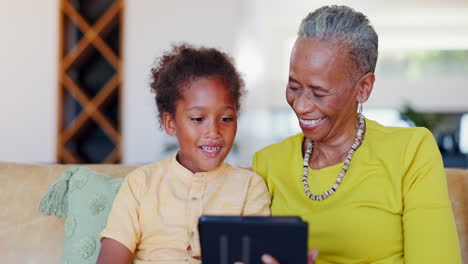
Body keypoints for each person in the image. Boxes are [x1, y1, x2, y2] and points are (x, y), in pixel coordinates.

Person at [253, 5, 462, 264]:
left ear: (363, 88)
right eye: (293, 86)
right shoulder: (267, 164)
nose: (301, 105)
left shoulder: (410, 151)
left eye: (319, 93)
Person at [97, 44, 271, 264]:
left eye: (226, 118)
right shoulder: (140, 184)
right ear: (170, 123)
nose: (214, 132)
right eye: (198, 119)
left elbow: (255, 255)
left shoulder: (250, 187)